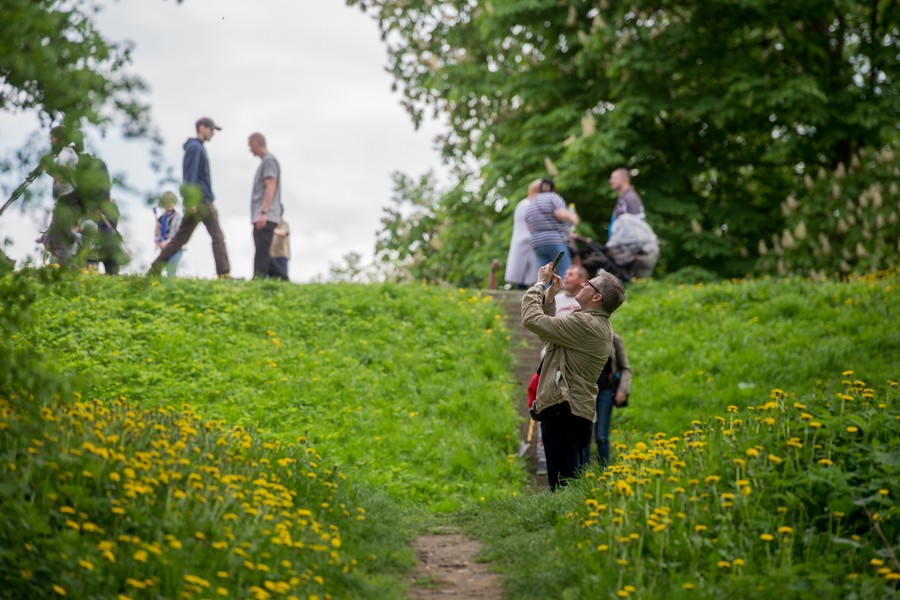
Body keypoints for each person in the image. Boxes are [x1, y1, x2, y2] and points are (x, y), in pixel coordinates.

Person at [522, 263, 626, 490]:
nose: (582, 283)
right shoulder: (593, 322)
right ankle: (566, 521)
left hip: (564, 411)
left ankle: (563, 523)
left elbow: (531, 319)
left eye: (588, 283)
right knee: (567, 483)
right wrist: (550, 298)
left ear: (597, 297)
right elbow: (551, 337)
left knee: (563, 487)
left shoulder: (585, 323)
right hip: (573, 411)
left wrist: (539, 284)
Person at [148, 117, 231, 278]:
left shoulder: (196, 148)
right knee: (217, 236)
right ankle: (224, 273)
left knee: (179, 239)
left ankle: (154, 270)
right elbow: (190, 175)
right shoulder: (195, 148)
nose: (212, 133)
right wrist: (191, 201)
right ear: (202, 128)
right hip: (201, 201)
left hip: (198, 201)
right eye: (211, 129)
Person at [584, 333, 632, 466]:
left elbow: (626, 369)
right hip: (584, 391)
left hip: (605, 390)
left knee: (601, 436)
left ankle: (604, 472)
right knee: (584, 436)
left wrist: (622, 390)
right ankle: (580, 476)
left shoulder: (614, 339)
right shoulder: (582, 335)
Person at [247, 132, 287, 280]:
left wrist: (263, 212)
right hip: (264, 214)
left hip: (265, 214)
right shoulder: (266, 162)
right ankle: (284, 281)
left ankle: (258, 280)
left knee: (261, 250)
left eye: (250, 145)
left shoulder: (269, 161)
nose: (249, 149)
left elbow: (271, 185)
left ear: (256, 143)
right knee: (262, 250)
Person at [42, 126, 83, 265]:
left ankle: (69, 270)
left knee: (60, 245)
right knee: (49, 240)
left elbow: (62, 175)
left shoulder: (65, 154)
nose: (51, 142)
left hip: (68, 201)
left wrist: (47, 168)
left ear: (58, 138)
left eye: (52, 138)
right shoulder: (67, 153)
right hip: (64, 202)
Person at [607, 168, 659, 278]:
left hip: (628, 253)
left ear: (624, 179)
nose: (610, 181)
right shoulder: (623, 198)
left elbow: (636, 226)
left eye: (614, 178)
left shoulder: (630, 198)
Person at [525, 178, 580, 278]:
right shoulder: (553, 197)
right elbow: (561, 214)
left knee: (544, 276)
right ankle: (567, 293)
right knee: (566, 272)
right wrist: (574, 218)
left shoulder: (531, 203)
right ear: (552, 188)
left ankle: (543, 293)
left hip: (536, 243)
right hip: (554, 241)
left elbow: (528, 226)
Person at [504, 179, 541, 289]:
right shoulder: (525, 205)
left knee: (527, 274)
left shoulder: (526, 204)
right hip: (524, 242)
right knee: (523, 274)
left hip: (528, 242)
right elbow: (529, 225)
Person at [154, 191, 184, 277]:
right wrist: (159, 242)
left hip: (175, 248)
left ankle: (172, 287)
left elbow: (179, 234)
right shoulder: (160, 218)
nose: (169, 203)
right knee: (158, 268)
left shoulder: (178, 217)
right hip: (163, 248)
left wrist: (168, 242)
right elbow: (157, 234)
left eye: (171, 201)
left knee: (171, 268)